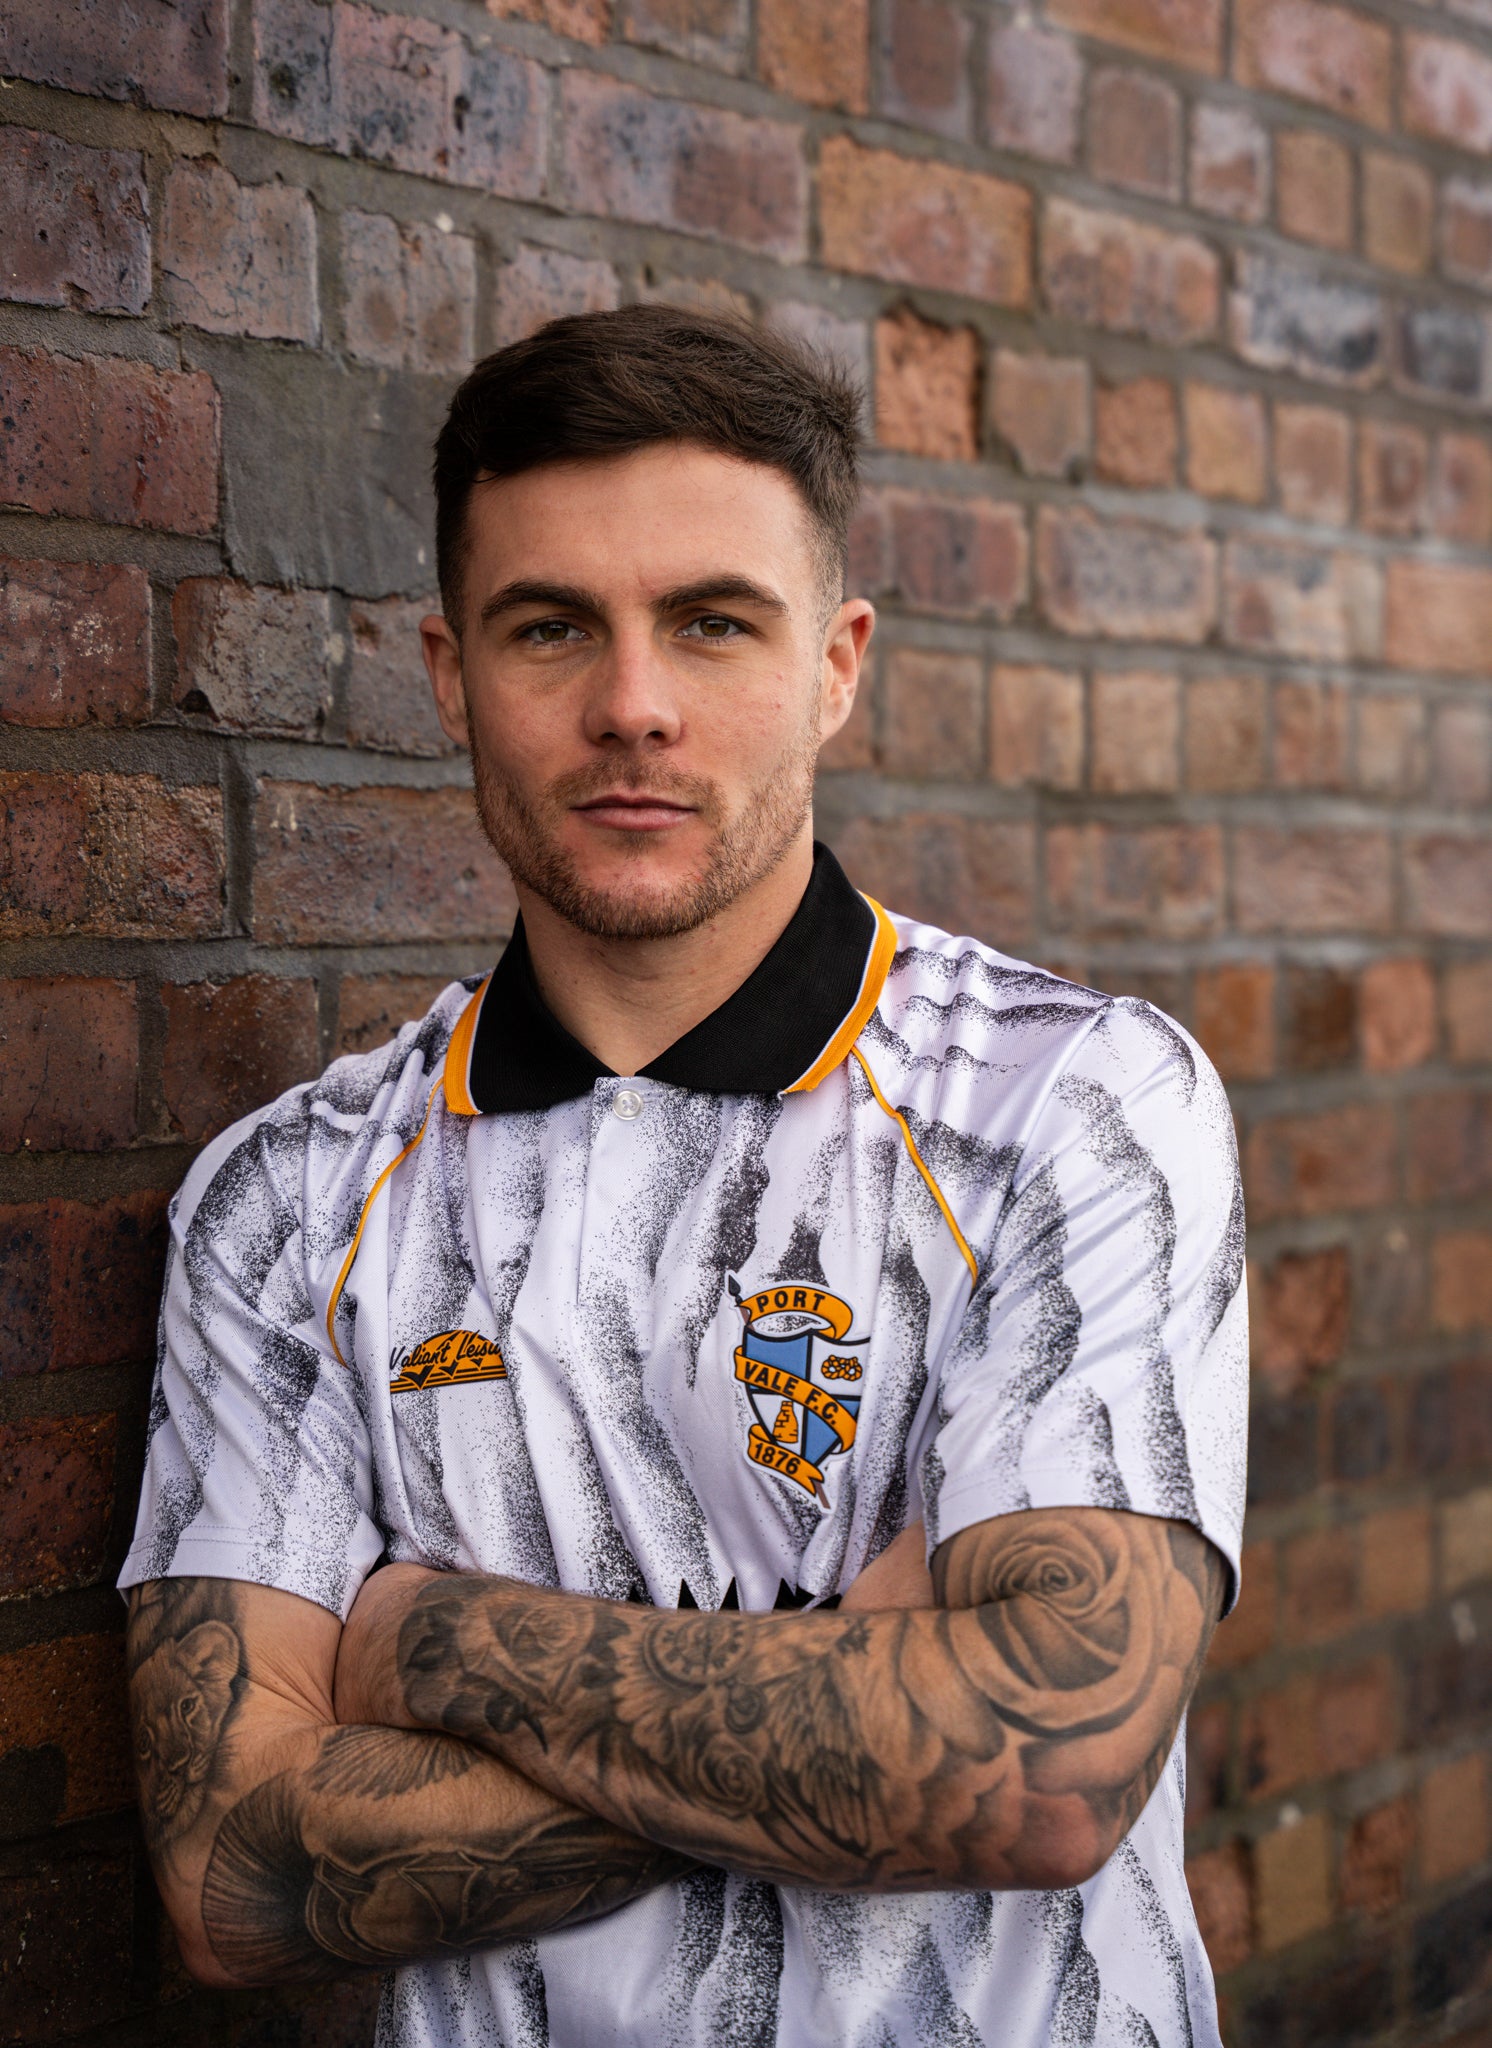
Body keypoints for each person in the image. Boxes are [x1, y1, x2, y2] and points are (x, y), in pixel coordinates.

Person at [121, 305, 1247, 2048]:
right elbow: (235, 1876)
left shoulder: (1070, 1103)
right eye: (551, 627)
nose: (632, 707)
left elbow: (1043, 1771)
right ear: (451, 677)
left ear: (836, 665)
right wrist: (862, 1699)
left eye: (714, 623)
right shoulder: (288, 1199)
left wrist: (435, 1646)